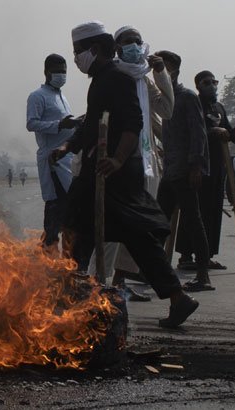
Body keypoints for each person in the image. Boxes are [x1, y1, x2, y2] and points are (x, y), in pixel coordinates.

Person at [54, 21, 198, 328]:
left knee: (76, 226)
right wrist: (69, 146)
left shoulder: (117, 79)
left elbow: (134, 123)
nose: (76, 58)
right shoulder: (103, 79)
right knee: (134, 237)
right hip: (112, 168)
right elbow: (93, 125)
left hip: (114, 170)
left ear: (93, 50)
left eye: (78, 52)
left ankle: (71, 298)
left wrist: (117, 160)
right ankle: (177, 298)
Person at [86, 25, 175, 300]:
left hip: (146, 161)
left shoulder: (146, 81)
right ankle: (98, 281)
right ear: (116, 47)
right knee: (112, 227)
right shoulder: (112, 75)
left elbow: (166, 111)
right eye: (127, 41)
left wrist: (161, 75)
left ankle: (120, 282)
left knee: (139, 228)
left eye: (138, 40)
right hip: (117, 160)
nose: (134, 46)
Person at [154, 51, 214, 292]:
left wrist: (196, 166)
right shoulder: (164, 99)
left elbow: (198, 134)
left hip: (185, 170)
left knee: (193, 221)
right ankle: (154, 272)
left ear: (175, 72)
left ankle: (203, 275)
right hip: (170, 170)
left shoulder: (187, 97)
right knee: (158, 222)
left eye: (164, 69)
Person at [175, 71, 235, 272]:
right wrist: (212, 132)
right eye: (207, 83)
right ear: (198, 85)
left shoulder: (219, 108)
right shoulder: (192, 104)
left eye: (214, 82)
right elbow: (188, 132)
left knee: (213, 211)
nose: (212, 86)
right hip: (196, 166)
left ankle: (206, 255)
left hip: (217, 168)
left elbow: (229, 135)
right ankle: (186, 255)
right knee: (193, 211)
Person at [26, 53, 78, 252]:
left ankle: (67, 258)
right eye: (57, 71)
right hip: (52, 160)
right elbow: (31, 123)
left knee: (68, 209)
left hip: (67, 160)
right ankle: (48, 251)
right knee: (56, 207)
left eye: (64, 71)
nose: (61, 75)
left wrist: (74, 123)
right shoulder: (37, 96)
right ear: (46, 72)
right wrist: (59, 124)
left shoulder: (61, 96)